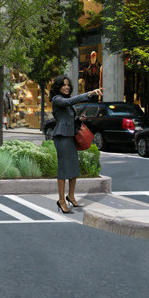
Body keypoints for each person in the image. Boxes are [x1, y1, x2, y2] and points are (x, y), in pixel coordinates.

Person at [49, 75, 103, 213]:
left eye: (68, 85)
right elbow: (68, 103)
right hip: (62, 138)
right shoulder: (57, 100)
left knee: (74, 168)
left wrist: (79, 119)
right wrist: (89, 93)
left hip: (71, 136)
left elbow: (69, 119)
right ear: (58, 87)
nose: (66, 87)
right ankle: (61, 200)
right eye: (63, 85)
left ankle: (70, 195)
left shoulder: (66, 101)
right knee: (63, 169)